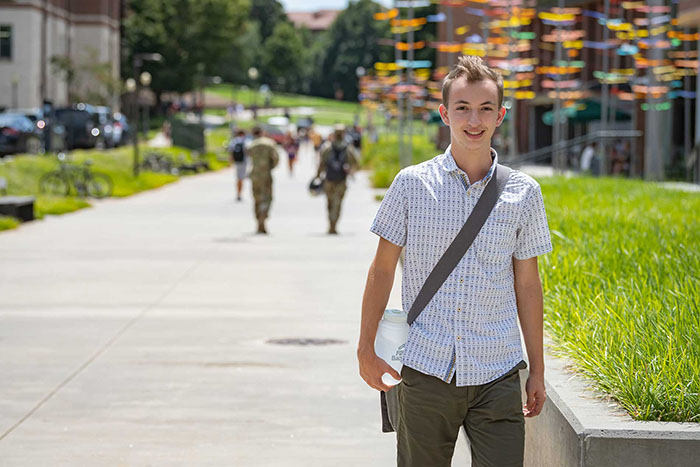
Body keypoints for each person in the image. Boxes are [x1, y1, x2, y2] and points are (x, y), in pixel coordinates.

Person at [357, 55, 552, 466]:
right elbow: (381, 271)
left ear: (500, 115)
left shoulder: (525, 192)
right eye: (462, 108)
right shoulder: (411, 184)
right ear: (445, 113)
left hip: (497, 369)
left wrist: (537, 368)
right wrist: (365, 348)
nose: (474, 120)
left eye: (485, 109)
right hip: (425, 367)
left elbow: (528, 284)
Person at [316, 124, 359, 234]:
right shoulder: (348, 148)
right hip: (341, 180)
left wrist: (318, 176)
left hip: (329, 179)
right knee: (337, 203)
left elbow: (321, 164)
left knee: (329, 203)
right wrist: (350, 172)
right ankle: (334, 225)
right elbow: (355, 164)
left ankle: (331, 223)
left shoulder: (327, 147)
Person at [247, 126, 279, 234]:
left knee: (256, 198)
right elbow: (276, 159)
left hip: (255, 175)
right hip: (266, 175)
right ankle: (263, 218)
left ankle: (258, 220)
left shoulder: (252, 144)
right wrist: (269, 168)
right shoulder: (269, 143)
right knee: (267, 198)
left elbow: (248, 157)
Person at [228, 129, 248, 201]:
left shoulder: (233, 141)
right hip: (244, 162)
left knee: (239, 178)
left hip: (237, 162)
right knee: (241, 178)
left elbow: (230, 151)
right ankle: (240, 193)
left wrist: (230, 162)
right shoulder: (245, 141)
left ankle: (238, 193)